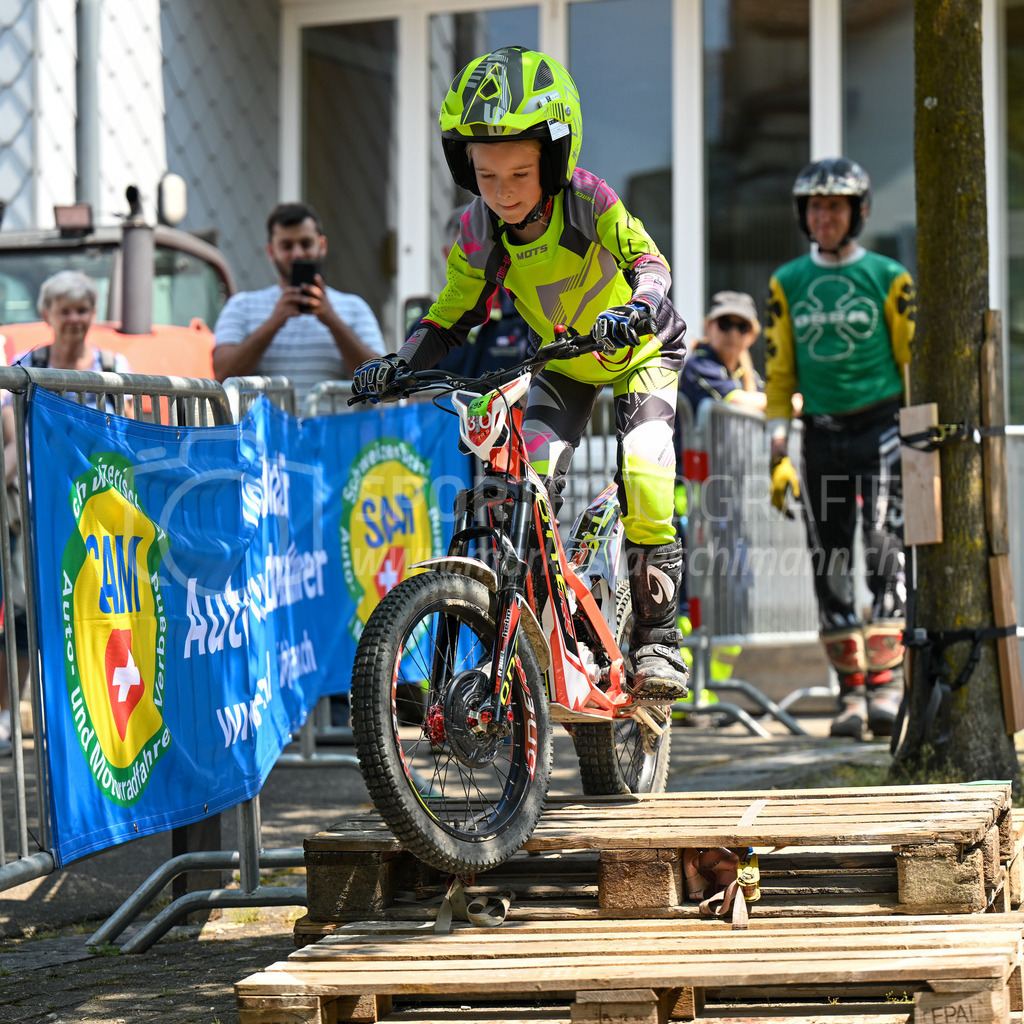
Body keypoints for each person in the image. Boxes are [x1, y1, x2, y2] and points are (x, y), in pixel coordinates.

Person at [351, 45, 690, 702]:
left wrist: (638, 306)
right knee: (518, 487)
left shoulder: (588, 199)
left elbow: (650, 263)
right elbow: (451, 316)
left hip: (642, 351)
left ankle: (658, 640)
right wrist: (397, 366)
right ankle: (530, 638)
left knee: (647, 474)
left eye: (521, 174)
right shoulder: (479, 229)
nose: (502, 192)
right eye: (485, 175)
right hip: (563, 362)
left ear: (555, 162)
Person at [764, 157, 916, 740]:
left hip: (882, 428)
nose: (823, 216)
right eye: (814, 206)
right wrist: (779, 451)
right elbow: (780, 374)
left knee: (883, 551)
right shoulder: (786, 282)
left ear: (858, 212)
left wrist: (921, 438)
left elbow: (911, 362)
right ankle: (851, 694)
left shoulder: (890, 276)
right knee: (830, 564)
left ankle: (887, 686)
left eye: (835, 206)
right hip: (820, 434)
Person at [0, 270, 134, 753]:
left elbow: (127, 435)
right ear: (47, 315)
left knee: (93, 613)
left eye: (82, 309)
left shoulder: (114, 365)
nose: (75, 319)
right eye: (65, 310)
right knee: (23, 615)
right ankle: (7, 716)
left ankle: (88, 718)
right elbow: (11, 434)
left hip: (97, 510)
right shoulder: (27, 364)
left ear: (93, 313)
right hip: (37, 507)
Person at [212, 202, 386, 408]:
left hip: (330, 430)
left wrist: (332, 320)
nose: (297, 254)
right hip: (265, 430)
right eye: (287, 246)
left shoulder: (354, 308)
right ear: (271, 252)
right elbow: (222, 374)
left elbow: (380, 383)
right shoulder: (241, 306)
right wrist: (274, 322)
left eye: (306, 243)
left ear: (322, 246)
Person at [679, 291, 765, 416]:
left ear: (752, 335)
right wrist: (786, 403)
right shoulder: (699, 364)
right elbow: (738, 401)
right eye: (725, 324)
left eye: (743, 327)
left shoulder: (749, 374)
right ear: (708, 327)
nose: (734, 333)